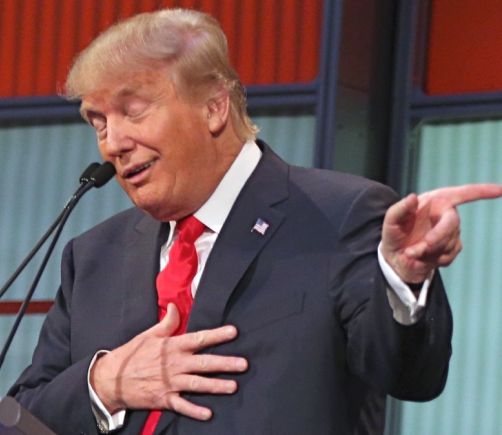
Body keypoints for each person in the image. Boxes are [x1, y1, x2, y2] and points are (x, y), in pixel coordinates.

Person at [8, 8, 502, 435]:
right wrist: (104, 384)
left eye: (132, 112)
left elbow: (411, 375)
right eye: (98, 123)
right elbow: (23, 416)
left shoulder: (339, 215)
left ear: (214, 107)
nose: (112, 143)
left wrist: (402, 280)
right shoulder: (91, 256)